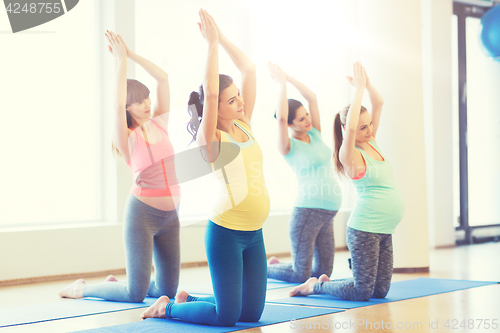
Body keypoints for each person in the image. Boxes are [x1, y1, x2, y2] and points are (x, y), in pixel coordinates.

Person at [141, 9, 270, 326]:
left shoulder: (246, 124)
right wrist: (210, 45)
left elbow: (249, 70)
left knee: (251, 314)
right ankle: (166, 308)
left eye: (238, 96)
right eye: (231, 100)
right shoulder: (211, 138)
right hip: (226, 232)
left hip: (255, 234)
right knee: (227, 317)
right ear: (215, 107)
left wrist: (222, 37)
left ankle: (190, 299)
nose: (240, 102)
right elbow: (210, 92)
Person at [58, 31, 180, 302]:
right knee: (134, 294)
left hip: (171, 216)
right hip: (142, 215)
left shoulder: (159, 122)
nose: (147, 103)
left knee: (167, 292)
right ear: (127, 107)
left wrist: (131, 53)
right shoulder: (126, 138)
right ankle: (82, 288)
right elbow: (114, 105)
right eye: (138, 101)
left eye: (146, 97)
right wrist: (121, 61)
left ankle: (118, 282)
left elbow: (163, 78)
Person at [289, 62, 404, 301]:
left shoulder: (371, 142)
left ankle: (328, 281)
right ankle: (315, 286)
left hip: (385, 230)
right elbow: (351, 128)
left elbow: (379, 103)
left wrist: (367, 84)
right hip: (364, 231)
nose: (369, 130)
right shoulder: (348, 154)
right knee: (362, 292)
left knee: (380, 292)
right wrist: (358, 90)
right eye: (363, 127)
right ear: (349, 128)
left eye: (370, 124)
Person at [266, 63, 342, 283]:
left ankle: (277, 265)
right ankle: (263, 268)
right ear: (290, 124)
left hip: (327, 213)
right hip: (307, 213)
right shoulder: (288, 146)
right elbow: (280, 118)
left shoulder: (315, 133)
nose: (308, 119)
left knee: (323, 274)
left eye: (307, 115)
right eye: (301, 119)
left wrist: (287, 77)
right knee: (302, 275)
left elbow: (313, 97)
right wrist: (281, 85)